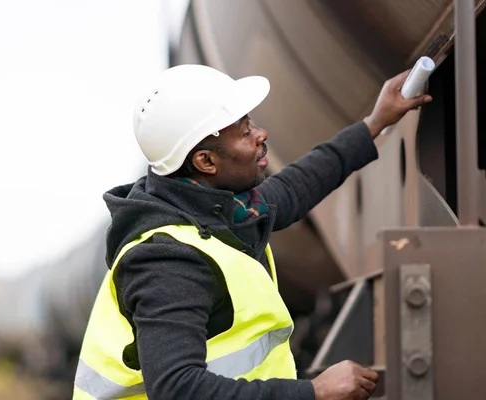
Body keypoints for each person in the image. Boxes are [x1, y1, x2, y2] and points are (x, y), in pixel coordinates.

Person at [73, 64, 432, 400]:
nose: (261, 134)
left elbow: (295, 186)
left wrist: (374, 122)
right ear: (206, 162)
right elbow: (176, 388)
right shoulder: (167, 260)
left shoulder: (220, 211)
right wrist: (313, 392)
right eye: (244, 132)